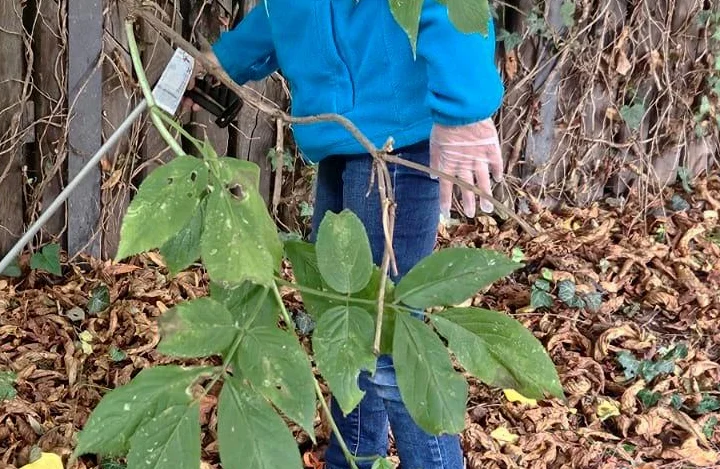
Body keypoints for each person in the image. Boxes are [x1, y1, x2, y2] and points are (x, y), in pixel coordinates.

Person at [193, 1, 505, 468]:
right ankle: (352, 459)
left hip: (396, 145)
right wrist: (225, 61)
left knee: (388, 337)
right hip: (343, 144)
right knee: (347, 323)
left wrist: (465, 110)